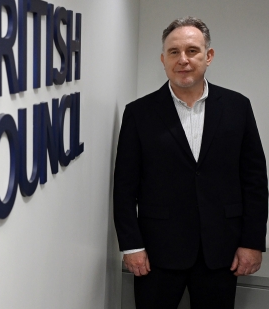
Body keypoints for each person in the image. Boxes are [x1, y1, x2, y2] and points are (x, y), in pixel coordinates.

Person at [113, 16, 268, 309]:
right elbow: (124, 186)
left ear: (208, 56)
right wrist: (132, 245)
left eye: (192, 51)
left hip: (222, 252)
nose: (183, 59)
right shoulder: (139, 113)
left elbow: (255, 181)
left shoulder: (238, 107)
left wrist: (252, 242)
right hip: (156, 253)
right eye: (174, 52)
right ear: (163, 59)